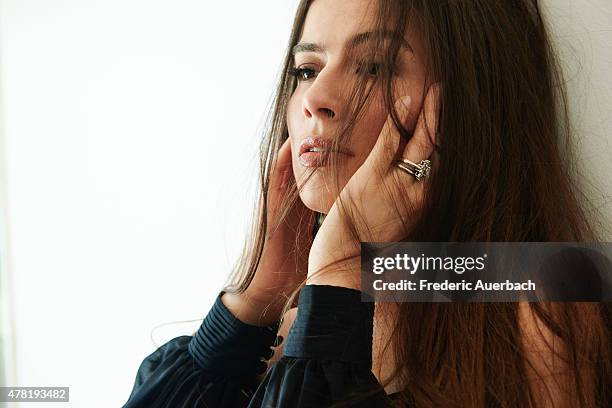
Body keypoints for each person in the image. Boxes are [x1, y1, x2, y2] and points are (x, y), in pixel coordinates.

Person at [122, 0, 612, 407]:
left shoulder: (544, 302)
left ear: (467, 100)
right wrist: (254, 301)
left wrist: (339, 275)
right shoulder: (293, 324)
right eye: (307, 69)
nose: (317, 98)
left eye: (374, 67)